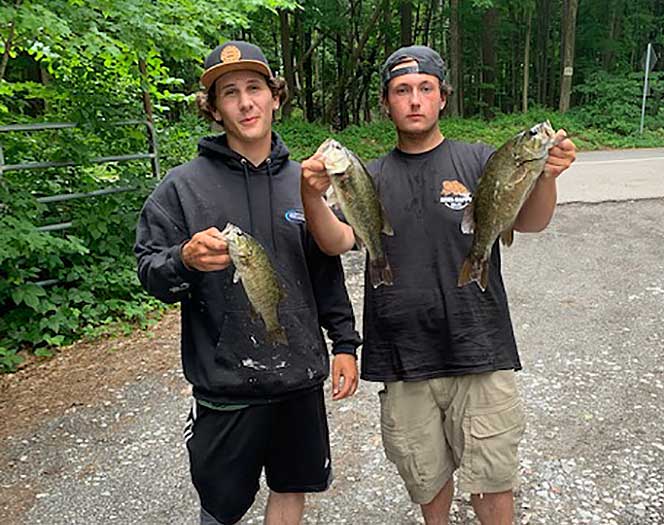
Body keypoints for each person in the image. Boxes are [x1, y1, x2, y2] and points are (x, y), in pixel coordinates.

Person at [300, 45, 576, 525]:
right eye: (401, 91)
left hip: (481, 347)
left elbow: (531, 221)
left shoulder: (479, 160)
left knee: (492, 481)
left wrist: (546, 176)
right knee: (428, 482)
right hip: (403, 355)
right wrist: (310, 195)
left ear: (442, 98)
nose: (414, 100)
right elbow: (336, 240)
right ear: (386, 104)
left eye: (425, 89)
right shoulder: (370, 176)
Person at [134, 40, 361, 525]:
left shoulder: (306, 180)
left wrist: (345, 342)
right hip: (225, 386)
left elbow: (325, 268)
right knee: (221, 508)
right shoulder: (181, 187)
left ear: (275, 97)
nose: (245, 102)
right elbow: (150, 274)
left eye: (255, 88)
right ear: (214, 109)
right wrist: (185, 259)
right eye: (230, 93)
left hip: (299, 377)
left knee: (291, 487)